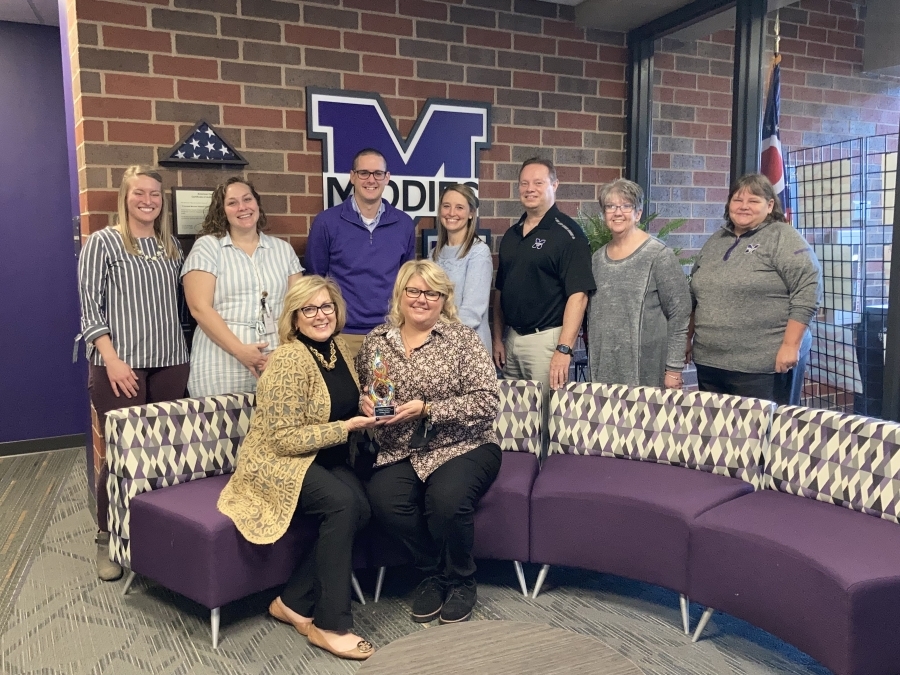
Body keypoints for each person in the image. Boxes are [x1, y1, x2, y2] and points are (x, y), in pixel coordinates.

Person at [217, 276, 377, 660]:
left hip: (322, 458)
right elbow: (282, 440)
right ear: (294, 317)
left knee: (363, 507)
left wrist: (363, 406)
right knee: (343, 504)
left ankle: (291, 602)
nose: (320, 315)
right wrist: (346, 427)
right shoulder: (289, 359)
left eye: (327, 307)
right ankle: (330, 624)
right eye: (310, 309)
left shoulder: (336, 348)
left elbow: (340, 403)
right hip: (278, 463)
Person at [359, 260, 501, 625]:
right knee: (384, 500)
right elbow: (368, 390)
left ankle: (462, 580)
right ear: (400, 294)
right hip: (400, 448)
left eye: (432, 293)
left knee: (446, 500)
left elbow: (488, 401)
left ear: (443, 299)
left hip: (464, 444)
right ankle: (434, 573)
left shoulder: (462, 339)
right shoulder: (377, 341)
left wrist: (428, 409)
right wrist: (365, 401)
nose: (422, 299)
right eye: (414, 291)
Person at [78, 165, 190, 581]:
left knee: (163, 452)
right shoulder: (103, 242)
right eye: (139, 193)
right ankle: (108, 537)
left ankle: (153, 534)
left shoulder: (170, 245)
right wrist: (111, 357)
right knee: (122, 452)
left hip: (170, 362)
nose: (148, 200)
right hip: (120, 364)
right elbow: (90, 307)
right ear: (125, 197)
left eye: (155, 195)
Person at [687, 173, 822, 405]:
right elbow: (695, 296)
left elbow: (807, 291)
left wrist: (791, 346)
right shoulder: (716, 240)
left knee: (761, 437)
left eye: (753, 201)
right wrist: (686, 339)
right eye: (738, 200)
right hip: (710, 362)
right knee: (715, 435)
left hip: (763, 366)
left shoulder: (783, 237)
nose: (744, 207)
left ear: (770, 205)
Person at [182, 177, 302, 397]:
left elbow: (298, 308)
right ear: (222, 210)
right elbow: (199, 307)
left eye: (247, 199)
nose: (242, 207)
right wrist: (240, 351)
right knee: (220, 428)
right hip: (220, 358)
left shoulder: (283, 250)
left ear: (257, 204)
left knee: (278, 428)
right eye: (232, 203)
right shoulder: (208, 247)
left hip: (275, 356)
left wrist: (283, 351)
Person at [305, 148, 416, 359]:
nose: (371, 180)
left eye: (378, 174)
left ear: (387, 178)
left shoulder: (404, 224)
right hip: (342, 334)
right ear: (353, 176)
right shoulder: (327, 222)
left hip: (391, 333)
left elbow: (407, 282)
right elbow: (314, 280)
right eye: (364, 173)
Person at [587, 179, 691, 388]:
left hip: (647, 370)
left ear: (638, 213)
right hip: (603, 368)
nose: (618, 212)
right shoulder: (597, 259)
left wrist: (673, 369)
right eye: (610, 206)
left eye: (626, 206)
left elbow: (680, 312)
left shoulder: (658, 255)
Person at [432, 184, 492, 352]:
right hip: (438, 348)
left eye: (459, 207)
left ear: (471, 213)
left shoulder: (479, 253)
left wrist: (438, 338)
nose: (451, 213)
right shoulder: (433, 256)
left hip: (469, 348)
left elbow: (472, 313)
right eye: (446, 206)